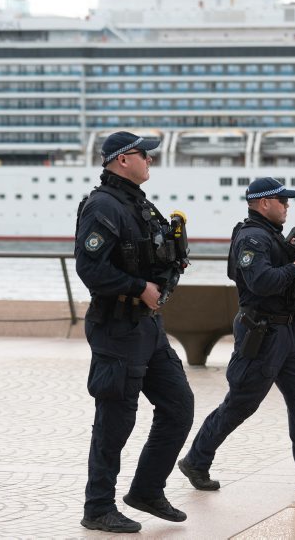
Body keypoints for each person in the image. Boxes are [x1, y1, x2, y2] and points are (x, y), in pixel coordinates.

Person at [177, 177, 295, 493]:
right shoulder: (252, 238)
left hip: (286, 331)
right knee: (241, 402)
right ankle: (196, 460)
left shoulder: (274, 237)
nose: (287, 206)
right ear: (264, 203)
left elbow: (283, 285)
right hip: (262, 332)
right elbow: (260, 282)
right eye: (282, 201)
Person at [75, 131, 195, 533]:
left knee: (179, 406)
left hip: (148, 326)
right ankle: (98, 507)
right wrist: (138, 287)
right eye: (145, 155)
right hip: (117, 326)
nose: (150, 161)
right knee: (115, 420)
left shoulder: (137, 203)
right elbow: (90, 269)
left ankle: (146, 490)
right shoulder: (103, 206)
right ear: (123, 159)